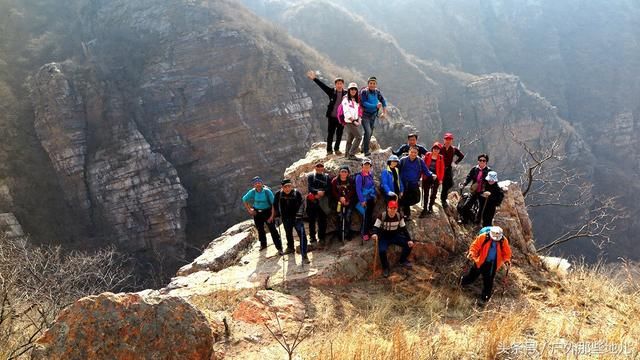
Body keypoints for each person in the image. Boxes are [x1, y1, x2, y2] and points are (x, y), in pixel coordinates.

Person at [461, 226, 512, 303]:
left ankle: (484, 299)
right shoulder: (484, 237)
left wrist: (507, 260)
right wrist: (472, 253)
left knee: (488, 282)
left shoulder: (503, 240)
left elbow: (507, 253)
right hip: (480, 261)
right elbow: (475, 246)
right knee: (472, 276)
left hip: (492, 265)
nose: (496, 238)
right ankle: (459, 284)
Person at [307, 71, 347, 155]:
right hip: (332, 117)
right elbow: (322, 86)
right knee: (330, 134)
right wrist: (314, 78)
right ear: (335, 84)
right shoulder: (331, 92)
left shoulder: (346, 94)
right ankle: (329, 150)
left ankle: (336, 149)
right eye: (338, 83)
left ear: (343, 84)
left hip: (341, 118)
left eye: (341, 83)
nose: (339, 85)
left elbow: (356, 96)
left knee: (339, 134)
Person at [371, 200, 415, 278]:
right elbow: (375, 227)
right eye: (391, 208)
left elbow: (404, 229)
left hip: (395, 236)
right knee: (382, 251)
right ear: (388, 208)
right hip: (384, 237)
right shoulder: (382, 216)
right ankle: (386, 268)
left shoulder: (399, 216)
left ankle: (402, 260)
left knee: (409, 245)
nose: (392, 210)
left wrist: (409, 239)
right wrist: (374, 234)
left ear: (396, 209)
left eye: (394, 208)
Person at [242, 176, 283, 255]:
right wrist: (249, 210)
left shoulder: (267, 191)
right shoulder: (253, 192)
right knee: (260, 229)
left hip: (267, 211)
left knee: (272, 229)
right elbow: (244, 199)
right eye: (256, 183)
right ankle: (263, 244)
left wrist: (272, 216)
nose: (257, 184)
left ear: (262, 183)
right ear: (253, 185)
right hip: (257, 213)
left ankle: (279, 247)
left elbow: (273, 204)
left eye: (259, 182)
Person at [274, 179, 309, 263]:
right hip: (286, 218)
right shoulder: (278, 194)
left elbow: (302, 203)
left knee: (302, 235)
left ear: (291, 186)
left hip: (297, 217)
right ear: (282, 187)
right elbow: (275, 205)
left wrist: (300, 214)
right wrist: (277, 216)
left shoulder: (296, 193)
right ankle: (290, 248)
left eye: (289, 186)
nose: (287, 188)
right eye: (285, 187)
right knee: (288, 234)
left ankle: (304, 255)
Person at [399, 147, 432, 219]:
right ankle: (406, 215)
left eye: (415, 153)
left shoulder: (420, 161)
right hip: (404, 184)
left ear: (417, 153)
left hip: (414, 184)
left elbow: (426, 170)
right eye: (412, 152)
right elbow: (397, 170)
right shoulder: (403, 160)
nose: (413, 154)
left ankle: (403, 206)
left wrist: (432, 175)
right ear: (409, 152)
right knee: (405, 197)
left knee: (417, 199)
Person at [459, 154, 492, 224]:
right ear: (478, 161)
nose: (482, 162)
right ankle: (464, 220)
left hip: (483, 193)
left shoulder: (489, 171)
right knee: (466, 206)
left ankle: (477, 223)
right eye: (480, 160)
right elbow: (469, 177)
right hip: (474, 191)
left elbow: (491, 182)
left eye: (484, 160)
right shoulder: (474, 169)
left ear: (486, 162)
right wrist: (464, 184)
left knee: (481, 209)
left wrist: (489, 191)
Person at [359, 77, 387, 156]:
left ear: (376, 85)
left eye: (374, 83)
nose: (372, 85)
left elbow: (383, 101)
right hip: (365, 115)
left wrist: (384, 113)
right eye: (370, 83)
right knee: (368, 131)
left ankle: (363, 147)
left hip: (373, 115)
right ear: (368, 84)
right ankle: (366, 150)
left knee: (369, 132)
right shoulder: (364, 92)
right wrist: (376, 106)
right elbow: (364, 103)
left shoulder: (377, 92)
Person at [337, 82, 363, 160]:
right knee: (358, 137)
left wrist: (359, 119)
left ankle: (347, 154)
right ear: (349, 90)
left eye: (355, 89)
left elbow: (359, 110)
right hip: (349, 121)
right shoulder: (345, 99)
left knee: (350, 138)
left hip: (354, 120)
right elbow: (346, 112)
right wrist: (353, 121)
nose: (353, 90)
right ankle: (351, 154)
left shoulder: (356, 99)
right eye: (351, 89)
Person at [307, 162, 331, 244]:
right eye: (318, 166)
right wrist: (317, 193)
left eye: (321, 166)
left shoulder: (327, 177)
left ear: (323, 168)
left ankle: (322, 237)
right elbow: (310, 187)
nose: (320, 168)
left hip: (323, 200)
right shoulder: (310, 176)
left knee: (322, 220)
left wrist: (323, 193)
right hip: (313, 200)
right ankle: (312, 237)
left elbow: (329, 187)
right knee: (311, 220)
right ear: (315, 167)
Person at [420, 142, 445, 217]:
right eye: (435, 148)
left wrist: (440, 179)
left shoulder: (440, 157)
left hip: (436, 177)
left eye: (437, 149)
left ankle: (430, 207)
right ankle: (425, 208)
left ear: (439, 150)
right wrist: (422, 176)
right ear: (432, 149)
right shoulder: (427, 155)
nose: (436, 150)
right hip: (427, 176)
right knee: (426, 193)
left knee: (434, 193)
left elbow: (442, 169)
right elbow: (423, 166)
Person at [331, 165, 356, 242]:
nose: (344, 173)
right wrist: (340, 198)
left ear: (348, 173)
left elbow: (352, 191)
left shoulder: (351, 181)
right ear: (339, 172)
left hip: (349, 202)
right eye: (342, 171)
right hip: (338, 202)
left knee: (348, 216)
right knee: (340, 217)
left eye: (345, 172)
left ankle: (348, 233)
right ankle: (340, 234)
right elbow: (333, 192)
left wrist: (346, 199)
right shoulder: (335, 181)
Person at [440, 133, 465, 208]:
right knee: (441, 183)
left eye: (449, 140)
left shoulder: (453, 149)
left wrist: (455, 162)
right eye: (446, 139)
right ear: (444, 140)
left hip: (448, 168)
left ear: (452, 141)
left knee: (449, 184)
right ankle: (443, 199)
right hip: (440, 168)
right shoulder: (440, 148)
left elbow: (461, 156)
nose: (448, 141)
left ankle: (442, 197)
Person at [355, 158, 377, 241]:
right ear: (362, 166)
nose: (367, 167)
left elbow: (372, 186)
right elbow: (358, 189)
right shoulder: (359, 176)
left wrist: (374, 195)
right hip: (364, 199)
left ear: (370, 166)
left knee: (369, 215)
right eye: (365, 165)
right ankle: (364, 233)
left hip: (370, 198)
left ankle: (367, 231)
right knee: (365, 217)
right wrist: (362, 201)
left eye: (368, 165)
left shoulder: (370, 175)